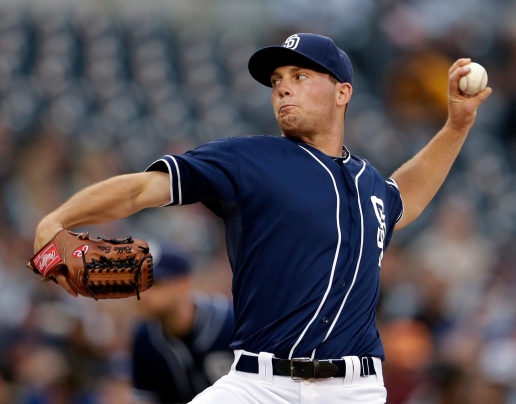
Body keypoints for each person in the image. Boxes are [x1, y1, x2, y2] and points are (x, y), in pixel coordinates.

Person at [31, 33, 491, 403]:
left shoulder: (368, 183)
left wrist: (456, 127)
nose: (282, 87)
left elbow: (400, 201)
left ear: (342, 92)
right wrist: (56, 218)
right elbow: (141, 188)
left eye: (299, 74)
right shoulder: (248, 159)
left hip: (357, 389)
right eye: (276, 80)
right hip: (260, 384)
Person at [130, 241, 234, 404]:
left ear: (183, 283)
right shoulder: (144, 338)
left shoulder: (232, 322)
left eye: (153, 283)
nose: (142, 294)